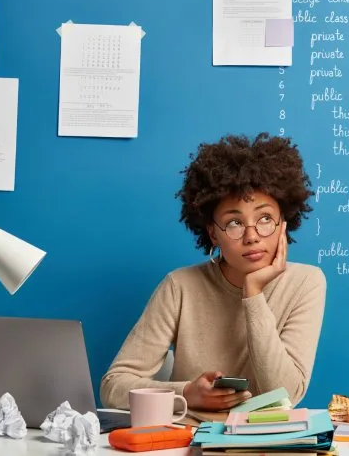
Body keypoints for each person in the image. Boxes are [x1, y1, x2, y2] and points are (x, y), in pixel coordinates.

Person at [100, 133, 327, 412]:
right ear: (213, 234)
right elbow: (113, 386)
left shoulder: (306, 282)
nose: (252, 236)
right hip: (188, 440)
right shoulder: (180, 286)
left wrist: (253, 293)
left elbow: (285, 395)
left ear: (284, 223)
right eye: (234, 223)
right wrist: (185, 393)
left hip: (267, 443)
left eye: (265, 218)